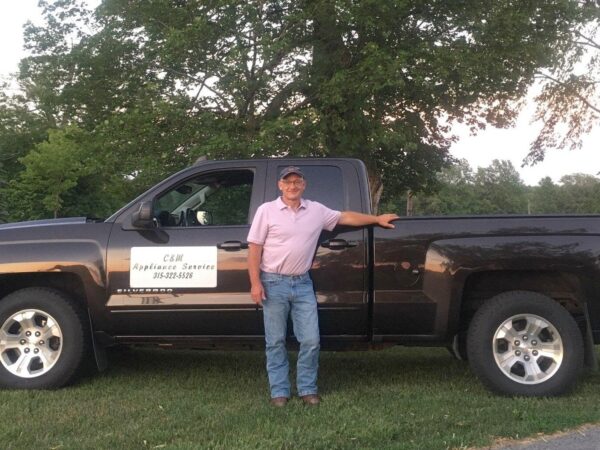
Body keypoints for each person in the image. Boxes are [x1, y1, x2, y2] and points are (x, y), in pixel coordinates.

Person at [247, 166, 399, 407]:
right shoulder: (266, 211)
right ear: (280, 185)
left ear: (303, 185)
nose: (292, 186)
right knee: (275, 341)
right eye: (288, 182)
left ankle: (308, 389)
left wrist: (376, 219)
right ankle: (279, 392)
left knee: (311, 340)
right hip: (273, 282)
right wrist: (255, 283)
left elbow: (345, 217)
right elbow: (255, 248)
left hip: (303, 283)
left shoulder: (316, 210)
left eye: (297, 181)